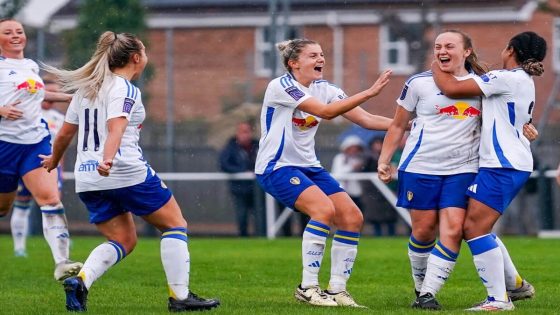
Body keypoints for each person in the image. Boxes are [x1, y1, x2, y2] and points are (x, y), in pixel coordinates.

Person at [40, 31, 220, 312]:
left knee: (122, 240)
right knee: (175, 225)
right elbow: (117, 127)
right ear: (136, 58)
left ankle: (82, 281)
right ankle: (180, 298)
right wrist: (108, 159)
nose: (146, 56)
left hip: (87, 178)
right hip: (124, 171)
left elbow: (64, 133)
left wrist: (54, 158)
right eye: (145, 52)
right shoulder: (124, 88)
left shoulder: (88, 88)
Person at [378, 30, 536, 310]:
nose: (442, 51)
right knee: (424, 231)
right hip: (420, 168)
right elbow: (397, 124)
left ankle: (428, 294)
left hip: (463, 169)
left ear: (466, 52)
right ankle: (423, 288)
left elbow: (505, 114)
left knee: (456, 229)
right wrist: (385, 159)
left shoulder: (480, 85)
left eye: (450, 46)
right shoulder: (418, 84)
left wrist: (524, 128)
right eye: (438, 46)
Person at [254, 38, 392, 307]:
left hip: (310, 167)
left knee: (352, 217)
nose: (321, 59)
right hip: (276, 166)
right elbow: (327, 113)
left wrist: (410, 124)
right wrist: (369, 91)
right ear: (293, 63)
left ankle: (337, 290)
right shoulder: (281, 86)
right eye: (312, 55)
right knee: (323, 210)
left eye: (321, 54)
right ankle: (308, 287)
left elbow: (366, 120)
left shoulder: (325, 88)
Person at [430, 31, 546, 311]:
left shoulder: (506, 78)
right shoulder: (522, 80)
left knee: (474, 228)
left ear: (510, 50)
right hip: (506, 163)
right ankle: (515, 286)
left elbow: (452, 89)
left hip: (502, 165)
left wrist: (437, 62)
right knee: (477, 228)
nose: (442, 50)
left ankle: (498, 300)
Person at [0, 18, 82, 280]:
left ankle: (62, 262)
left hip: (35, 143)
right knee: (3, 208)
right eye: (8, 32)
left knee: (50, 199)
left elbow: (39, 93)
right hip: (4, 146)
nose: (16, 35)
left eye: (19, 31)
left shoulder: (30, 65)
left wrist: (71, 97)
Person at [10, 77, 67, 258]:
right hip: (27, 165)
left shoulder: (60, 118)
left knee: (53, 205)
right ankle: (19, 247)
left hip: (51, 168)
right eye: (48, 94)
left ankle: (58, 248)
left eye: (54, 95)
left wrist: (60, 169)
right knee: (21, 205)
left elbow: (61, 146)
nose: (50, 99)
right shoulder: (28, 113)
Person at [219, 121, 260, 236]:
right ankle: (243, 237)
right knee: (242, 215)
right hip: (239, 188)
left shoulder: (258, 146)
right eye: (242, 132)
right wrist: (242, 171)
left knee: (260, 216)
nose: (245, 135)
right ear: (237, 133)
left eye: (247, 132)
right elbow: (224, 164)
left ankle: (261, 237)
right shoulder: (230, 147)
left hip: (257, 189)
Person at [360, 136, 397, 236]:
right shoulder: (368, 157)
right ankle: (378, 235)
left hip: (389, 187)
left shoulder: (391, 157)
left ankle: (391, 235)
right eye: (376, 143)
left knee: (390, 214)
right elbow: (364, 170)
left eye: (380, 143)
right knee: (375, 215)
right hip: (373, 191)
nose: (378, 146)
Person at [331, 135, 365, 209]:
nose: (354, 150)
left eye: (356, 148)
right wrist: (352, 167)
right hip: (341, 191)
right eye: (351, 148)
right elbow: (337, 173)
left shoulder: (359, 159)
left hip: (356, 192)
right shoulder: (339, 158)